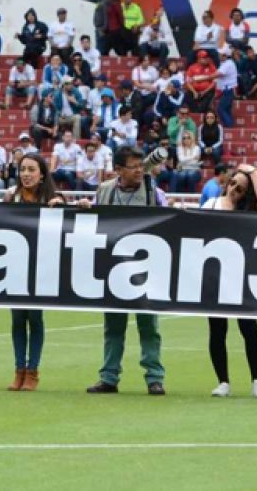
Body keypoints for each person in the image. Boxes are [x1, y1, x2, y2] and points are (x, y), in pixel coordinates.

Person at [83, 146, 167, 395]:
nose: (140, 170)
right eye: (134, 167)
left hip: (146, 268)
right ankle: (109, 376)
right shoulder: (104, 191)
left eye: (142, 165)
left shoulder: (155, 192)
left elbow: (170, 224)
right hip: (113, 268)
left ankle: (155, 377)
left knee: (149, 326)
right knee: (113, 325)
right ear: (118, 169)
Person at [202, 164, 257, 398]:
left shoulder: (250, 210)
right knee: (217, 330)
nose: (233, 189)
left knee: (249, 329)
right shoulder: (212, 205)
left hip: (243, 275)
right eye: (232, 183)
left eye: (240, 188)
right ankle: (223, 381)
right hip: (215, 275)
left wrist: (251, 172)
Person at [3, 153, 65, 391]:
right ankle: (19, 370)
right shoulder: (12, 196)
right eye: (23, 169)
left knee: (35, 317)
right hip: (16, 264)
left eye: (31, 170)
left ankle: (33, 371)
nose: (26, 174)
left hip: (42, 266)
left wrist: (63, 207)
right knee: (18, 318)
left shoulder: (53, 198)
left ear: (42, 174)